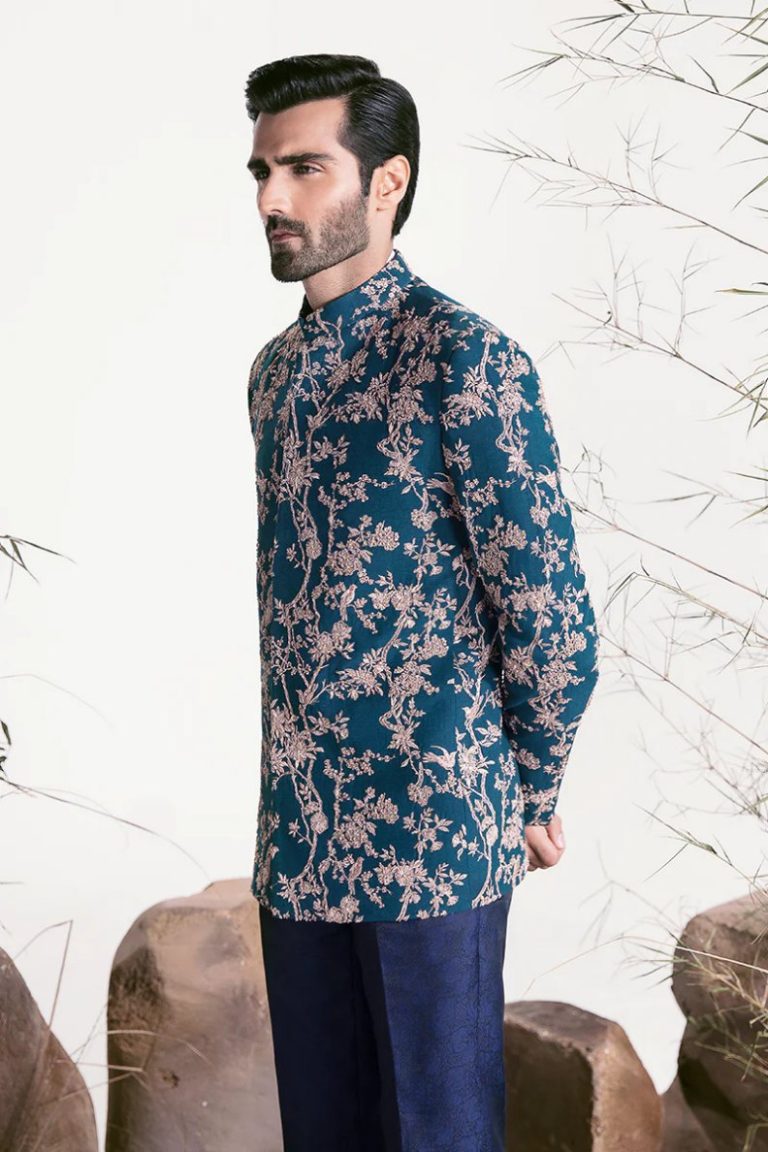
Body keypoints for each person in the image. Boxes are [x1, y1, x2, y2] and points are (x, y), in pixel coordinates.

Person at [243, 52, 600, 1152]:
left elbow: (550, 612)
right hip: (300, 845)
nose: (271, 198)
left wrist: (528, 788)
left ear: (387, 181)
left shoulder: (466, 359)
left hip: (435, 840)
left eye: (305, 168)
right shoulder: (273, 375)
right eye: (261, 171)